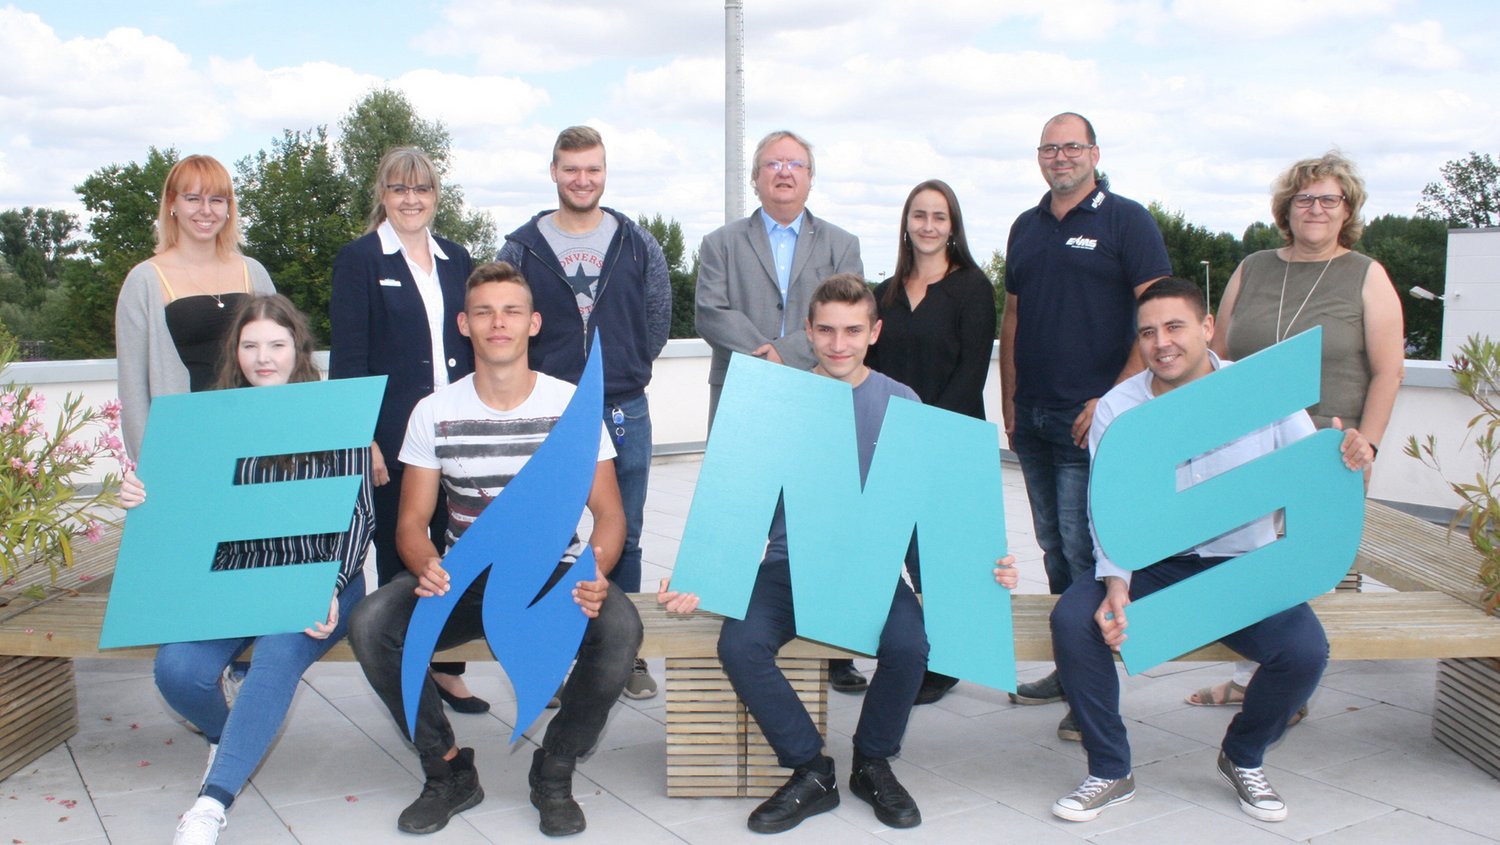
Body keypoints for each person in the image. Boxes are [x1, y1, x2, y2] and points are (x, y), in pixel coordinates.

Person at [662, 274, 1019, 833]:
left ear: (874, 332)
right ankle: (811, 769)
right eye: (825, 329)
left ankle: (872, 763)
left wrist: (975, 571)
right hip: (787, 566)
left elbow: (927, 506)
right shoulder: (778, 400)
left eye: (853, 330)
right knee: (740, 643)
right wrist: (698, 574)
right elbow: (735, 501)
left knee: (910, 645)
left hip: (870, 568)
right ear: (808, 330)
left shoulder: (902, 401)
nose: (838, 343)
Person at [1048, 277, 1374, 825]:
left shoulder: (1260, 390)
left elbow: (1312, 470)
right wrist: (1116, 581)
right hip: (1155, 565)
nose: (1161, 343)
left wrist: (1344, 452)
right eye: (1148, 332)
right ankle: (1109, 768)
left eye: (1174, 326)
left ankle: (1243, 756)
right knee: (1073, 621)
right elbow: (1109, 505)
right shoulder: (1118, 408)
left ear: (1206, 328)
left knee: (1304, 652)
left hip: (1241, 565)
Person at [347, 262, 643, 837]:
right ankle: (448, 769)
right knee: (372, 621)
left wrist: (597, 567)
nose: (497, 322)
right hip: (464, 575)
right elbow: (410, 521)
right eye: (484, 312)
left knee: (621, 632)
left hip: (556, 573)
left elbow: (609, 513)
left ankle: (553, 769)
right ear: (465, 324)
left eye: (510, 311)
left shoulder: (571, 408)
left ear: (533, 323)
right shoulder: (433, 411)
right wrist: (424, 564)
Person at [121, 294, 374, 845]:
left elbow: (359, 516)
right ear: (235, 353)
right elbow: (185, 511)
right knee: (178, 671)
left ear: (298, 350)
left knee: (280, 655)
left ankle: (211, 805)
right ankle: (229, 735)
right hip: (237, 577)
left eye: (277, 345)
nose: (264, 357)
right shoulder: (209, 420)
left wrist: (324, 585)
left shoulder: (333, 414)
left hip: (320, 577)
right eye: (251, 345)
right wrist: (143, 495)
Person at [1186, 151, 1404, 714]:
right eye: (1304, 198)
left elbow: (1388, 370)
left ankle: (1280, 683)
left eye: (1329, 199)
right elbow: (1221, 356)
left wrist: (1369, 441)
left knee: (1296, 572)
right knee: (1243, 562)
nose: (1315, 208)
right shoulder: (1253, 268)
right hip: (1246, 448)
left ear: (1347, 209)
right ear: (1286, 208)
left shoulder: (1366, 275)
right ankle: (1252, 679)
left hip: (1328, 450)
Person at [1000, 112, 1171, 738]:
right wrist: (1010, 399)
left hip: (1092, 422)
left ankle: (1091, 687)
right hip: (1037, 418)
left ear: (1094, 152)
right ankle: (1070, 668)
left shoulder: (1128, 220)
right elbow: (1012, 318)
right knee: (1052, 548)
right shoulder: (1026, 225)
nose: (1061, 156)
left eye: (1072, 146)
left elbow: (1157, 316)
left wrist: (1113, 399)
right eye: (1049, 147)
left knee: (1086, 552)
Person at [497, 126, 672, 700]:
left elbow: (657, 320)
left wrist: (623, 367)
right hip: (548, 412)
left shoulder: (638, 242)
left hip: (623, 408)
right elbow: (508, 319)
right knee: (544, 533)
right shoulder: (521, 248)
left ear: (605, 172)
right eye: (571, 169)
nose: (582, 179)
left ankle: (626, 652)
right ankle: (547, 649)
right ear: (553, 172)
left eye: (592, 169)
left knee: (628, 529)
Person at [694, 129, 867, 693]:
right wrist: (760, 355)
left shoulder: (841, 243)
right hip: (742, 396)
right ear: (756, 178)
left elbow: (849, 309)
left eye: (795, 163)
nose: (784, 172)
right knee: (743, 510)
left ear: (811, 176)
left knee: (815, 514)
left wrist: (783, 353)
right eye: (772, 164)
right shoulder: (720, 243)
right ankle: (739, 627)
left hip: (818, 396)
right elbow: (709, 311)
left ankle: (835, 644)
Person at [329, 147, 482, 714]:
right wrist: (361, 434)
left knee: (455, 546)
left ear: (436, 195)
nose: (410, 200)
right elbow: (349, 358)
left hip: (457, 431)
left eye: (420, 189)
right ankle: (409, 673)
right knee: (403, 556)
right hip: (393, 439)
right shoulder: (360, 260)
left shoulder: (456, 258)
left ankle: (446, 668)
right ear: (382, 195)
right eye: (398, 189)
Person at [868, 179, 995, 705]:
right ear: (906, 223)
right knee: (892, 550)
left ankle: (946, 663)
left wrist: (925, 434)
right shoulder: (884, 293)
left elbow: (971, 370)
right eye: (919, 215)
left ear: (952, 226)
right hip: (890, 444)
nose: (927, 225)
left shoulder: (972, 288)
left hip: (950, 439)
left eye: (938, 217)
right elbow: (868, 367)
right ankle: (902, 651)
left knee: (940, 559)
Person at [115, 154, 275, 461]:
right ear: (172, 203)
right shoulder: (145, 280)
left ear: (229, 208)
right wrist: (150, 464)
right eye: (193, 198)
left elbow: (286, 361)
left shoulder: (254, 272)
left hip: (255, 437)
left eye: (216, 199)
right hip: (186, 445)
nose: (206, 211)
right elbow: (133, 388)